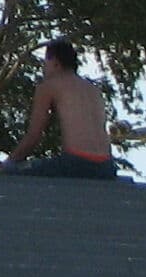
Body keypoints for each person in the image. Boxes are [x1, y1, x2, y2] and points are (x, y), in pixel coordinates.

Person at [8, 38, 119, 178]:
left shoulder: (49, 86)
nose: (43, 68)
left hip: (75, 164)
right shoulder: (93, 90)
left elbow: (34, 135)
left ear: (55, 63)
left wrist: (9, 164)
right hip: (107, 167)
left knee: (13, 172)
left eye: (45, 62)